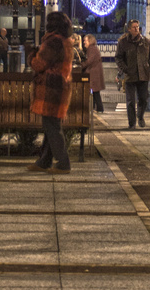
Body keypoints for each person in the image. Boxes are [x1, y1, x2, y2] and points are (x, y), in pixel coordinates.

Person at [27, 10, 74, 173]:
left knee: (51, 125)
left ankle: (63, 162)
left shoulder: (53, 41)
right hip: (61, 87)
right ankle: (44, 161)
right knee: (51, 125)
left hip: (51, 89)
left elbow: (39, 64)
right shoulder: (66, 41)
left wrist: (31, 55)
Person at [115, 19, 150, 129]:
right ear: (129, 29)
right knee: (130, 101)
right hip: (130, 74)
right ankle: (132, 123)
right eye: (134, 27)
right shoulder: (123, 42)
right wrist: (124, 69)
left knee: (143, 99)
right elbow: (118, 57)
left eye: (137, 27)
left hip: (143, 74)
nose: (137, 29)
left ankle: (140, 116)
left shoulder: (145, 41)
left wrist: (149, 66)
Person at [81, 33, 105, 113]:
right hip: (95, 73)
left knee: (95, 91)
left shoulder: (91, 49)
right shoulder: (93, 48)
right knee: (95, 92)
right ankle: (96, 108)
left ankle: (98, 108)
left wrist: (82, 66)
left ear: (90, 41)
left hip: (93, 73)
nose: (84, 42)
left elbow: (89, 61)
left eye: (85, 40)